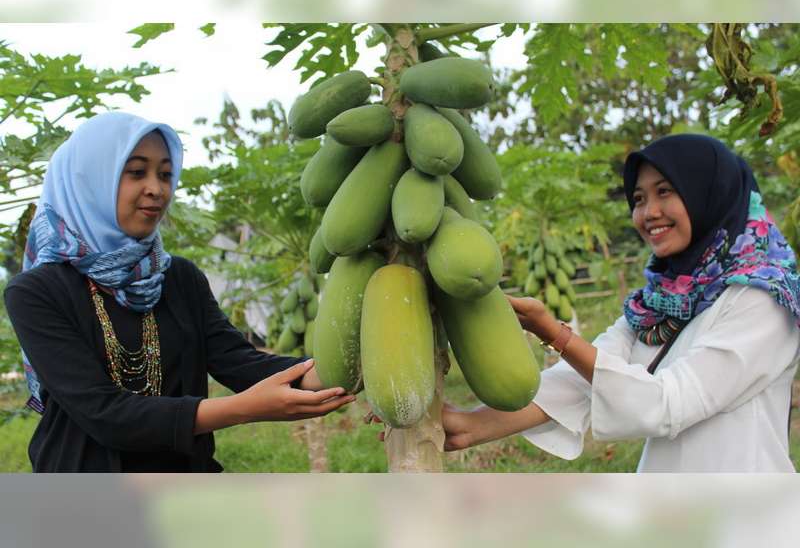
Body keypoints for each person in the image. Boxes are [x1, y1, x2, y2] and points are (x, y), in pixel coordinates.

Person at [4, 112, 354, 472]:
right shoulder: (36, 292)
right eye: (137, 172)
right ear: (89, 181)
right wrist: (243, 410)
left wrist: (355, 372)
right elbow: (103, 413)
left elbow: (241, 364)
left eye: (166, 174)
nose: (158, 189)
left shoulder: (179, 277)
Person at [441, 134, 800, 472]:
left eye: (665, 192)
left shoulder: (764, 299)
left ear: (710, 193)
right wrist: (468, 426)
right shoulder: (659, 302)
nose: (649, 212)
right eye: (639, 199)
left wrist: (552, 332)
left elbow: (669, 404)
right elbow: (581, 379)